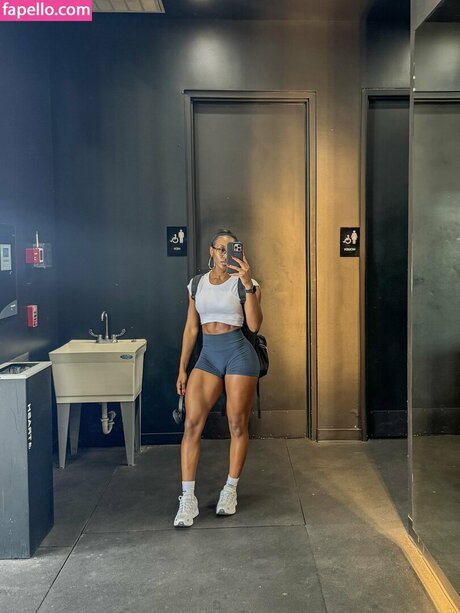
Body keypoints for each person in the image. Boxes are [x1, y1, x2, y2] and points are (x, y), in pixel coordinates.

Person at [174, 229, 263, 527]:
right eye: (221, 249)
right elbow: (191, 328)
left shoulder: (246, 283)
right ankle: (188, 499)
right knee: (191, 424)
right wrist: (182, 368)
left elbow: (255, 324)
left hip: (238, 352)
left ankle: (230, 490)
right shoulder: (196, 284)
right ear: (211, 251)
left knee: (236, 423)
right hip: (208, 356)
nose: (225, 255)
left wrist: (248, 283)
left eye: (231, 249)